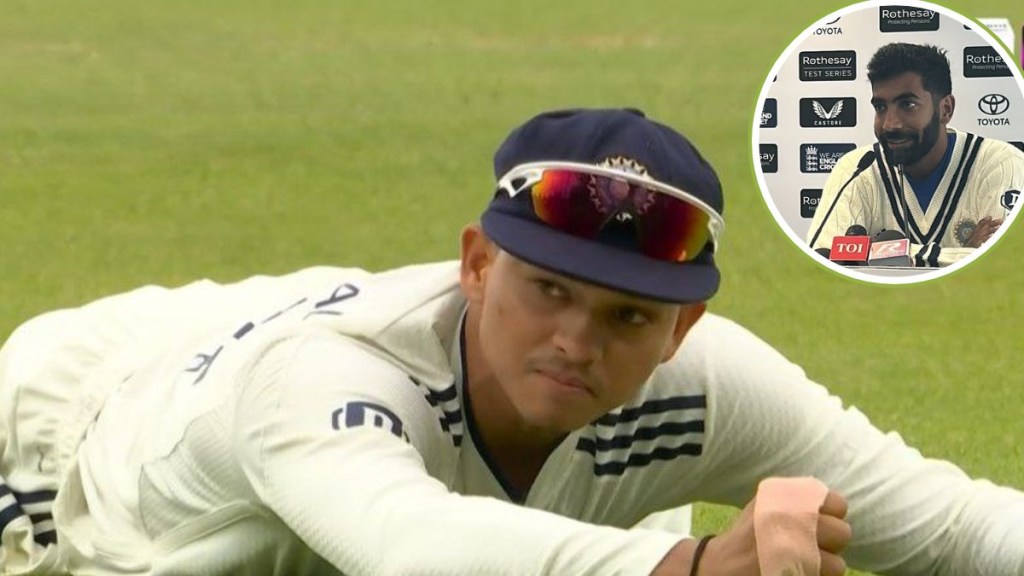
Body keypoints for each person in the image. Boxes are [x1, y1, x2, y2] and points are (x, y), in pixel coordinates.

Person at [1, 108, 1022, 576]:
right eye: (548, 290)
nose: (576, 340)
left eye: (628, 316)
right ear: (478, 265)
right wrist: (698, 568)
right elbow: (406, 546)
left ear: (681, 328)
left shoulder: (708, 384)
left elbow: (950, 527)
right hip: (66, 445)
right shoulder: (320, 378)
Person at [806, 42, 1024, 267]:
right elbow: (827, 260)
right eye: (880, 107)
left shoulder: (1002, 163)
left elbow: (1004, 263)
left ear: (945, 109)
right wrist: (966, 254)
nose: (890, 124)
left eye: (908, 105)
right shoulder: (856, 168)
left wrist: (877, 252)